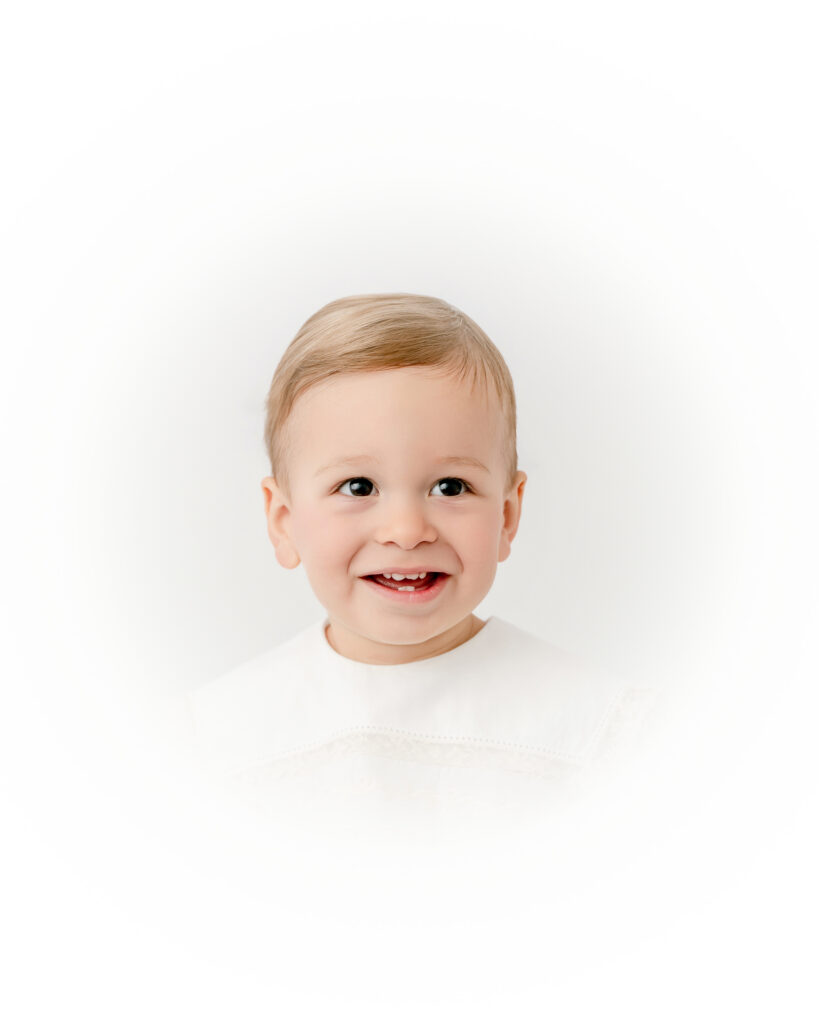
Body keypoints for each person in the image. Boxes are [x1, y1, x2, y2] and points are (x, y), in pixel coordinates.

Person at [179, 293, 656, 838]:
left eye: (450, 486)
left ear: (507, 514)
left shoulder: (603, 732)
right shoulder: (216, 741)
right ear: (284, 521)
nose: (406, 531)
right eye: (357, 487)